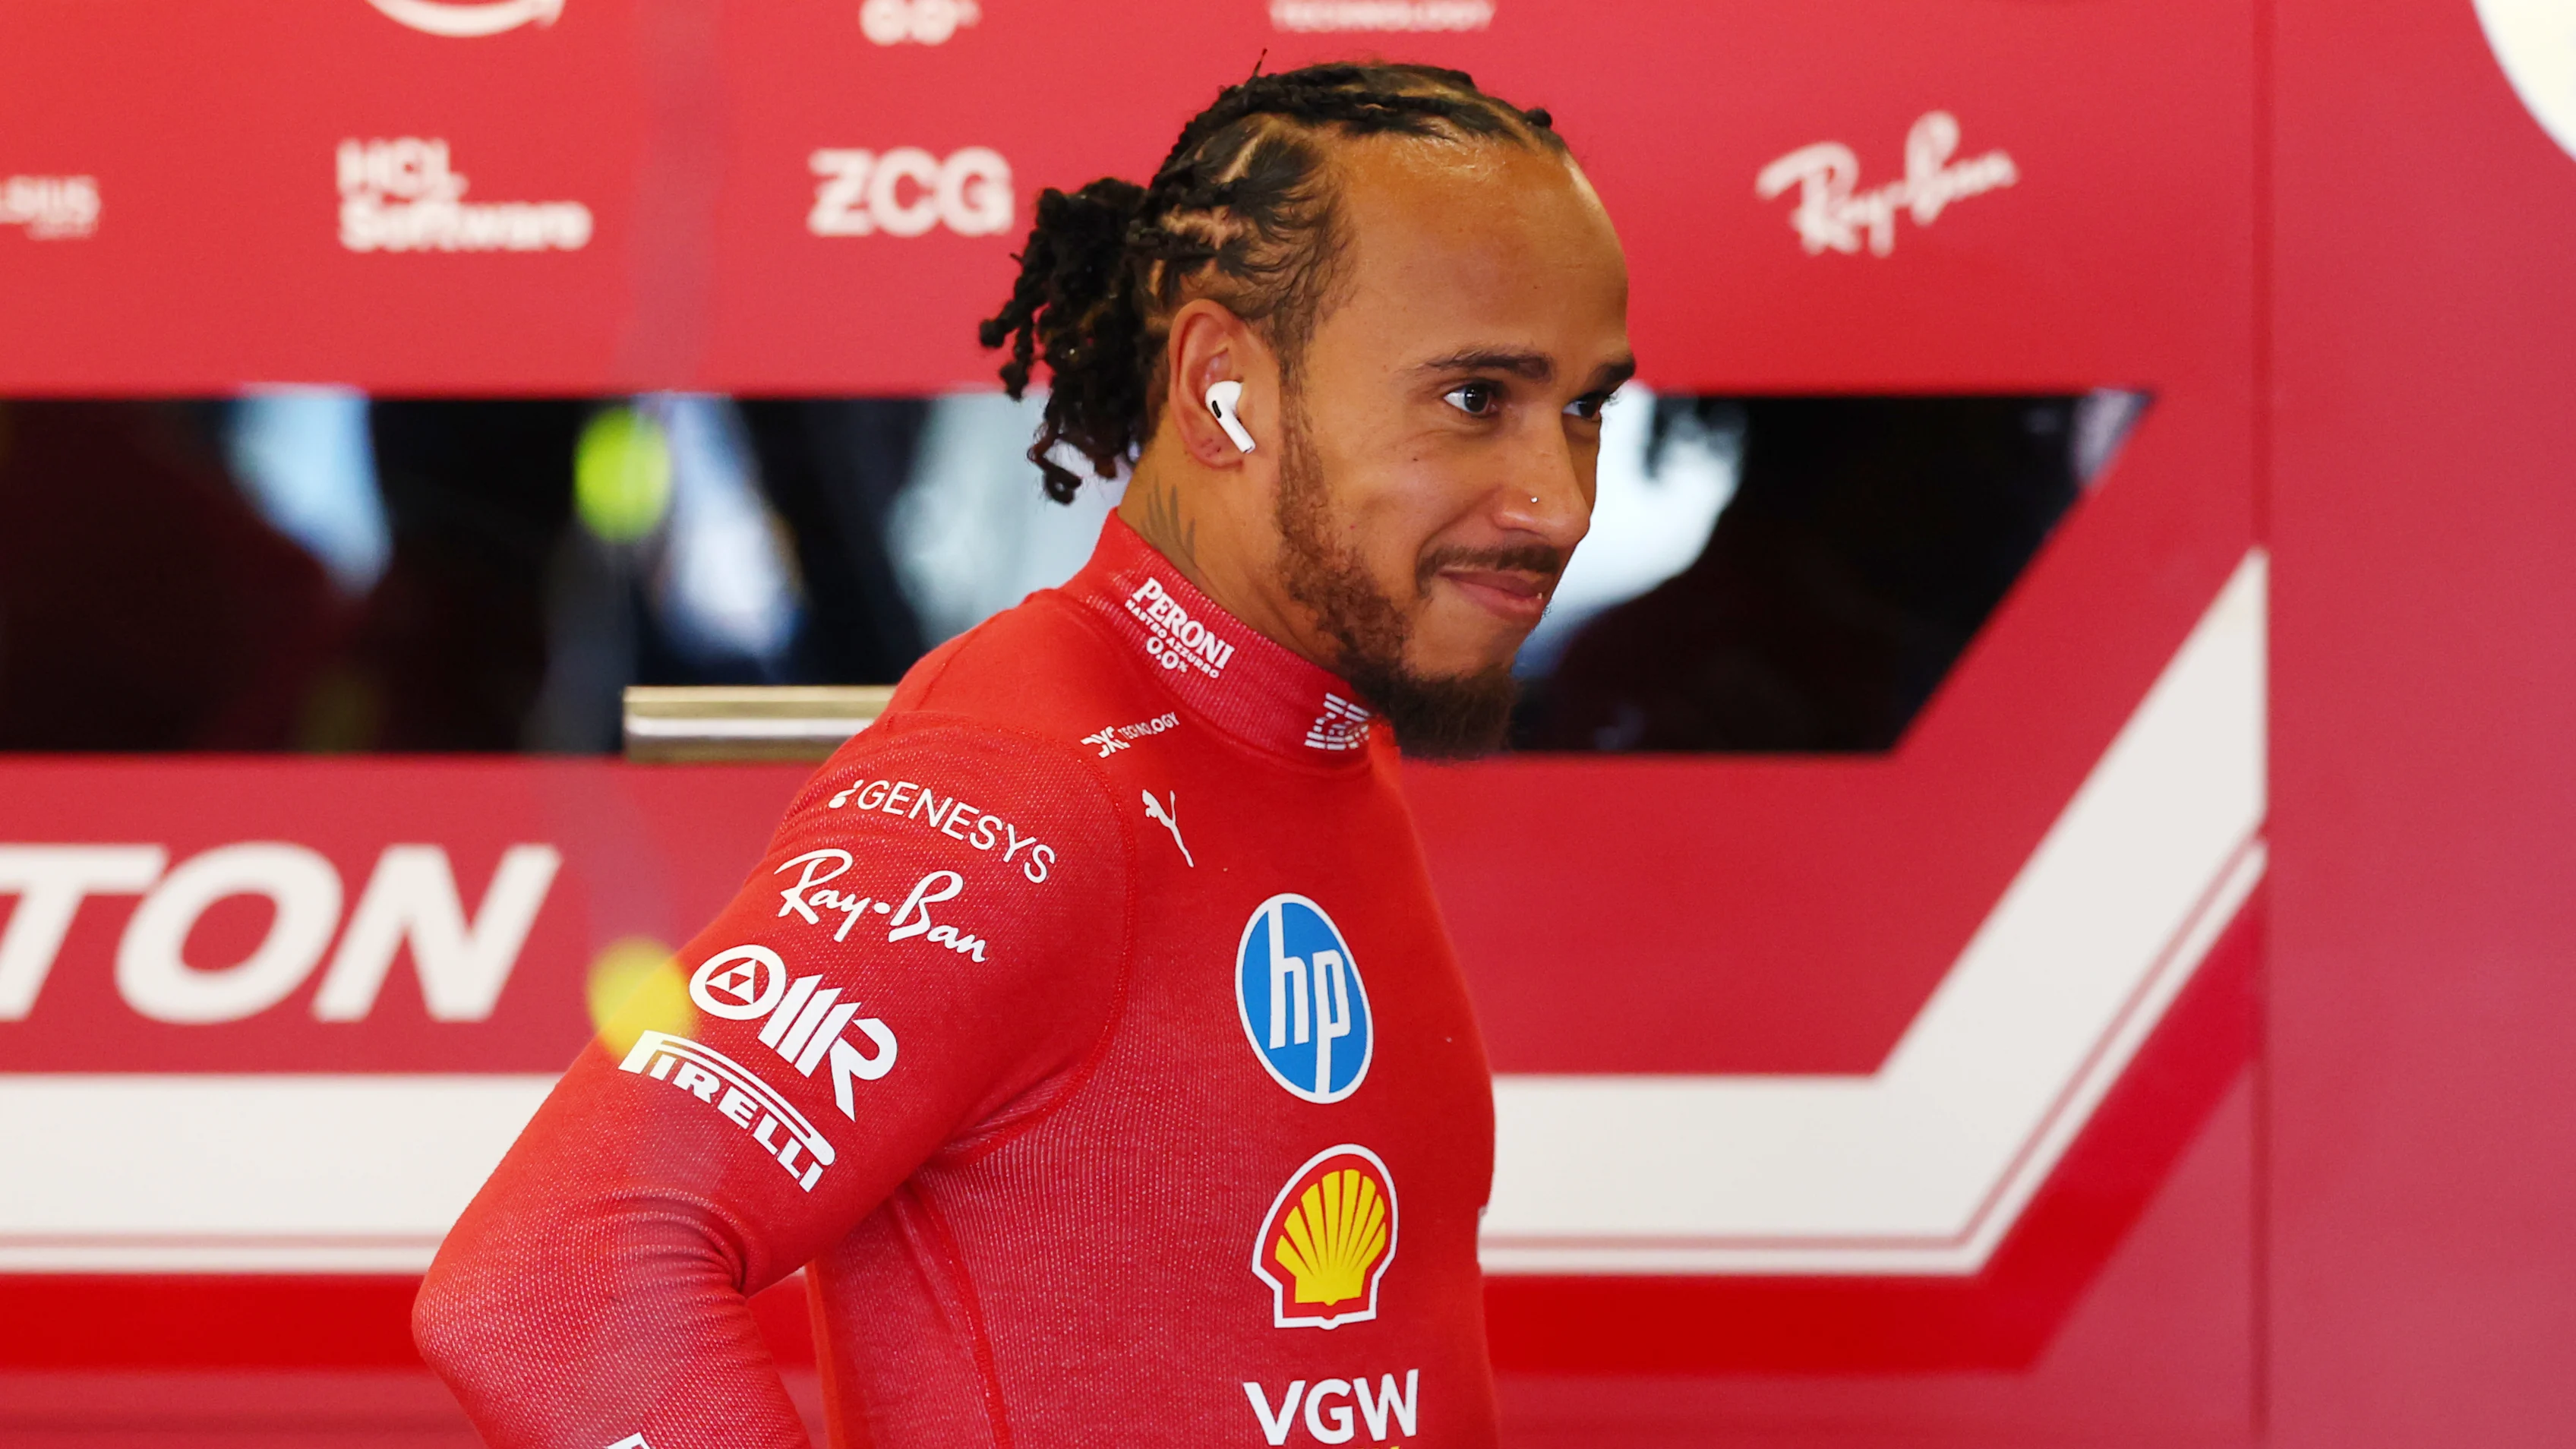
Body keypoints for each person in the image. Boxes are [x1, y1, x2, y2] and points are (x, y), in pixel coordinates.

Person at [414, 61, 1632, 1449]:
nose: (1558, 499)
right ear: (1223, 389)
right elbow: (548, 1288)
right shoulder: (1020, 780)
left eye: (1585, 408)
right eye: (1477, 399)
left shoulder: (1322, 730)